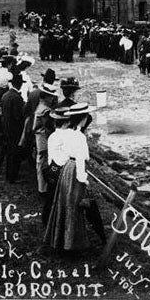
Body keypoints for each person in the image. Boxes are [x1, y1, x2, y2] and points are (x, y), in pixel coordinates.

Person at [44, 102, 105, 251]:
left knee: (63, 205)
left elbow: (58, 156)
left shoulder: (65, 134)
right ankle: (76, 242)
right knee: (78, 206)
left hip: (63, 170)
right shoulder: (77, 136)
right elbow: (80, 158)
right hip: (73, 171)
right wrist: (83, 179)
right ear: (83, 119)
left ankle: (60, 239)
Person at [0, 71, 26, 183]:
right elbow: (18, 116)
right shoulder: (17, 98)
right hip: (15, 130)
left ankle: (8, 175)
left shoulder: (5, 95)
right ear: (20, 84)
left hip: (6, 127)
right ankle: (12, 177)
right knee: (15, 154)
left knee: (9, 153)